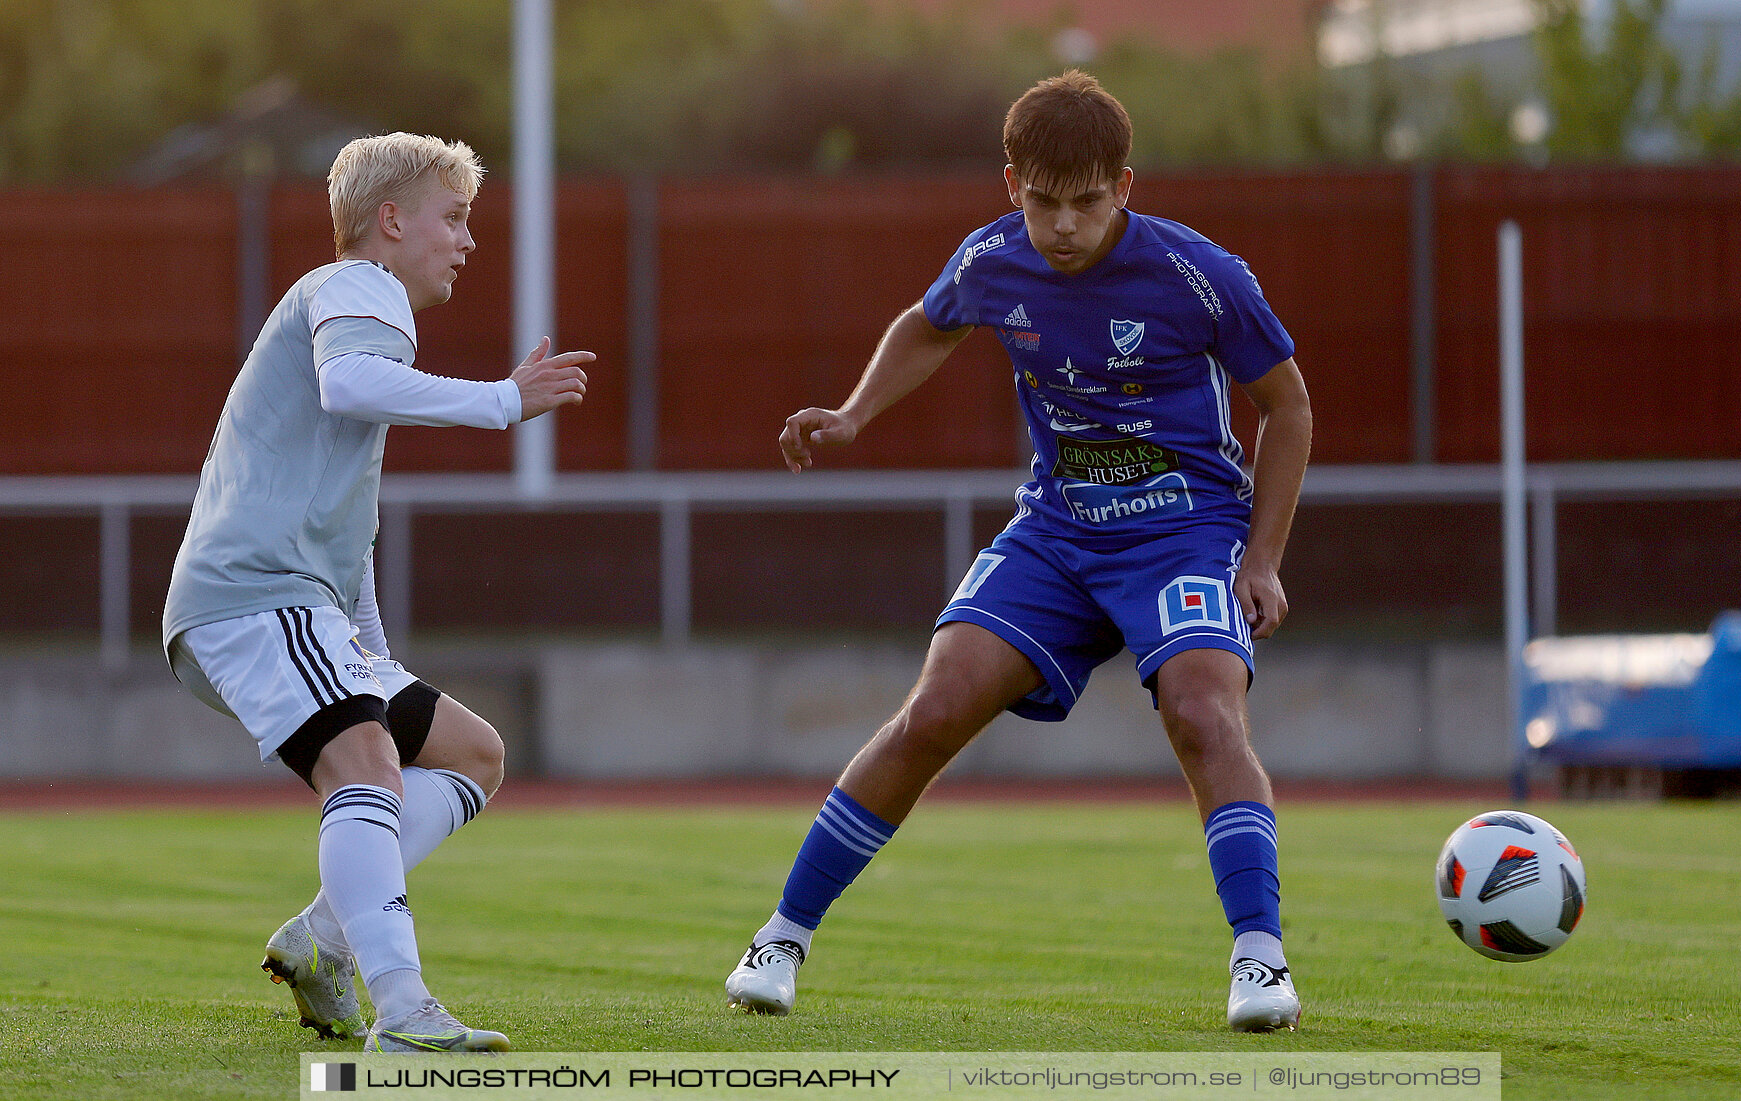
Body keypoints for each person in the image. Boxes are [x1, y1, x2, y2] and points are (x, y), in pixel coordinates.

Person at [724, 71, 1312, 1032]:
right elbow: (928, 324)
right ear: (1011, 185)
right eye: (1044, 203)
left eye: (1087, 203)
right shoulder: (992, 258)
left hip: (1184, 533)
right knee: (932, 710)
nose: (1064, 226)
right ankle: (780, 937)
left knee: (1206, 715)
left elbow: (1288, 408)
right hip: (1057, 530)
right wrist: (853, 412)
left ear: (1126, 186)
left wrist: (1262, 558)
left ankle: (1260, 958)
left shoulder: (1202, 276)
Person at [162, 132, 593, 1053]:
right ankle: (402, 1012)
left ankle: (322, 940)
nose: (467, 241)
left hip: (289, 602)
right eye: (455, 217)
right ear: (390, 221)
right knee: (364, 764)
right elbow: (352, 383)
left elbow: (344, 531)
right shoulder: (361, 287)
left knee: (473, 755)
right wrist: (504, 401)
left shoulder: (353, 303)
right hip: (255, 595)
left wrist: (373, 655)